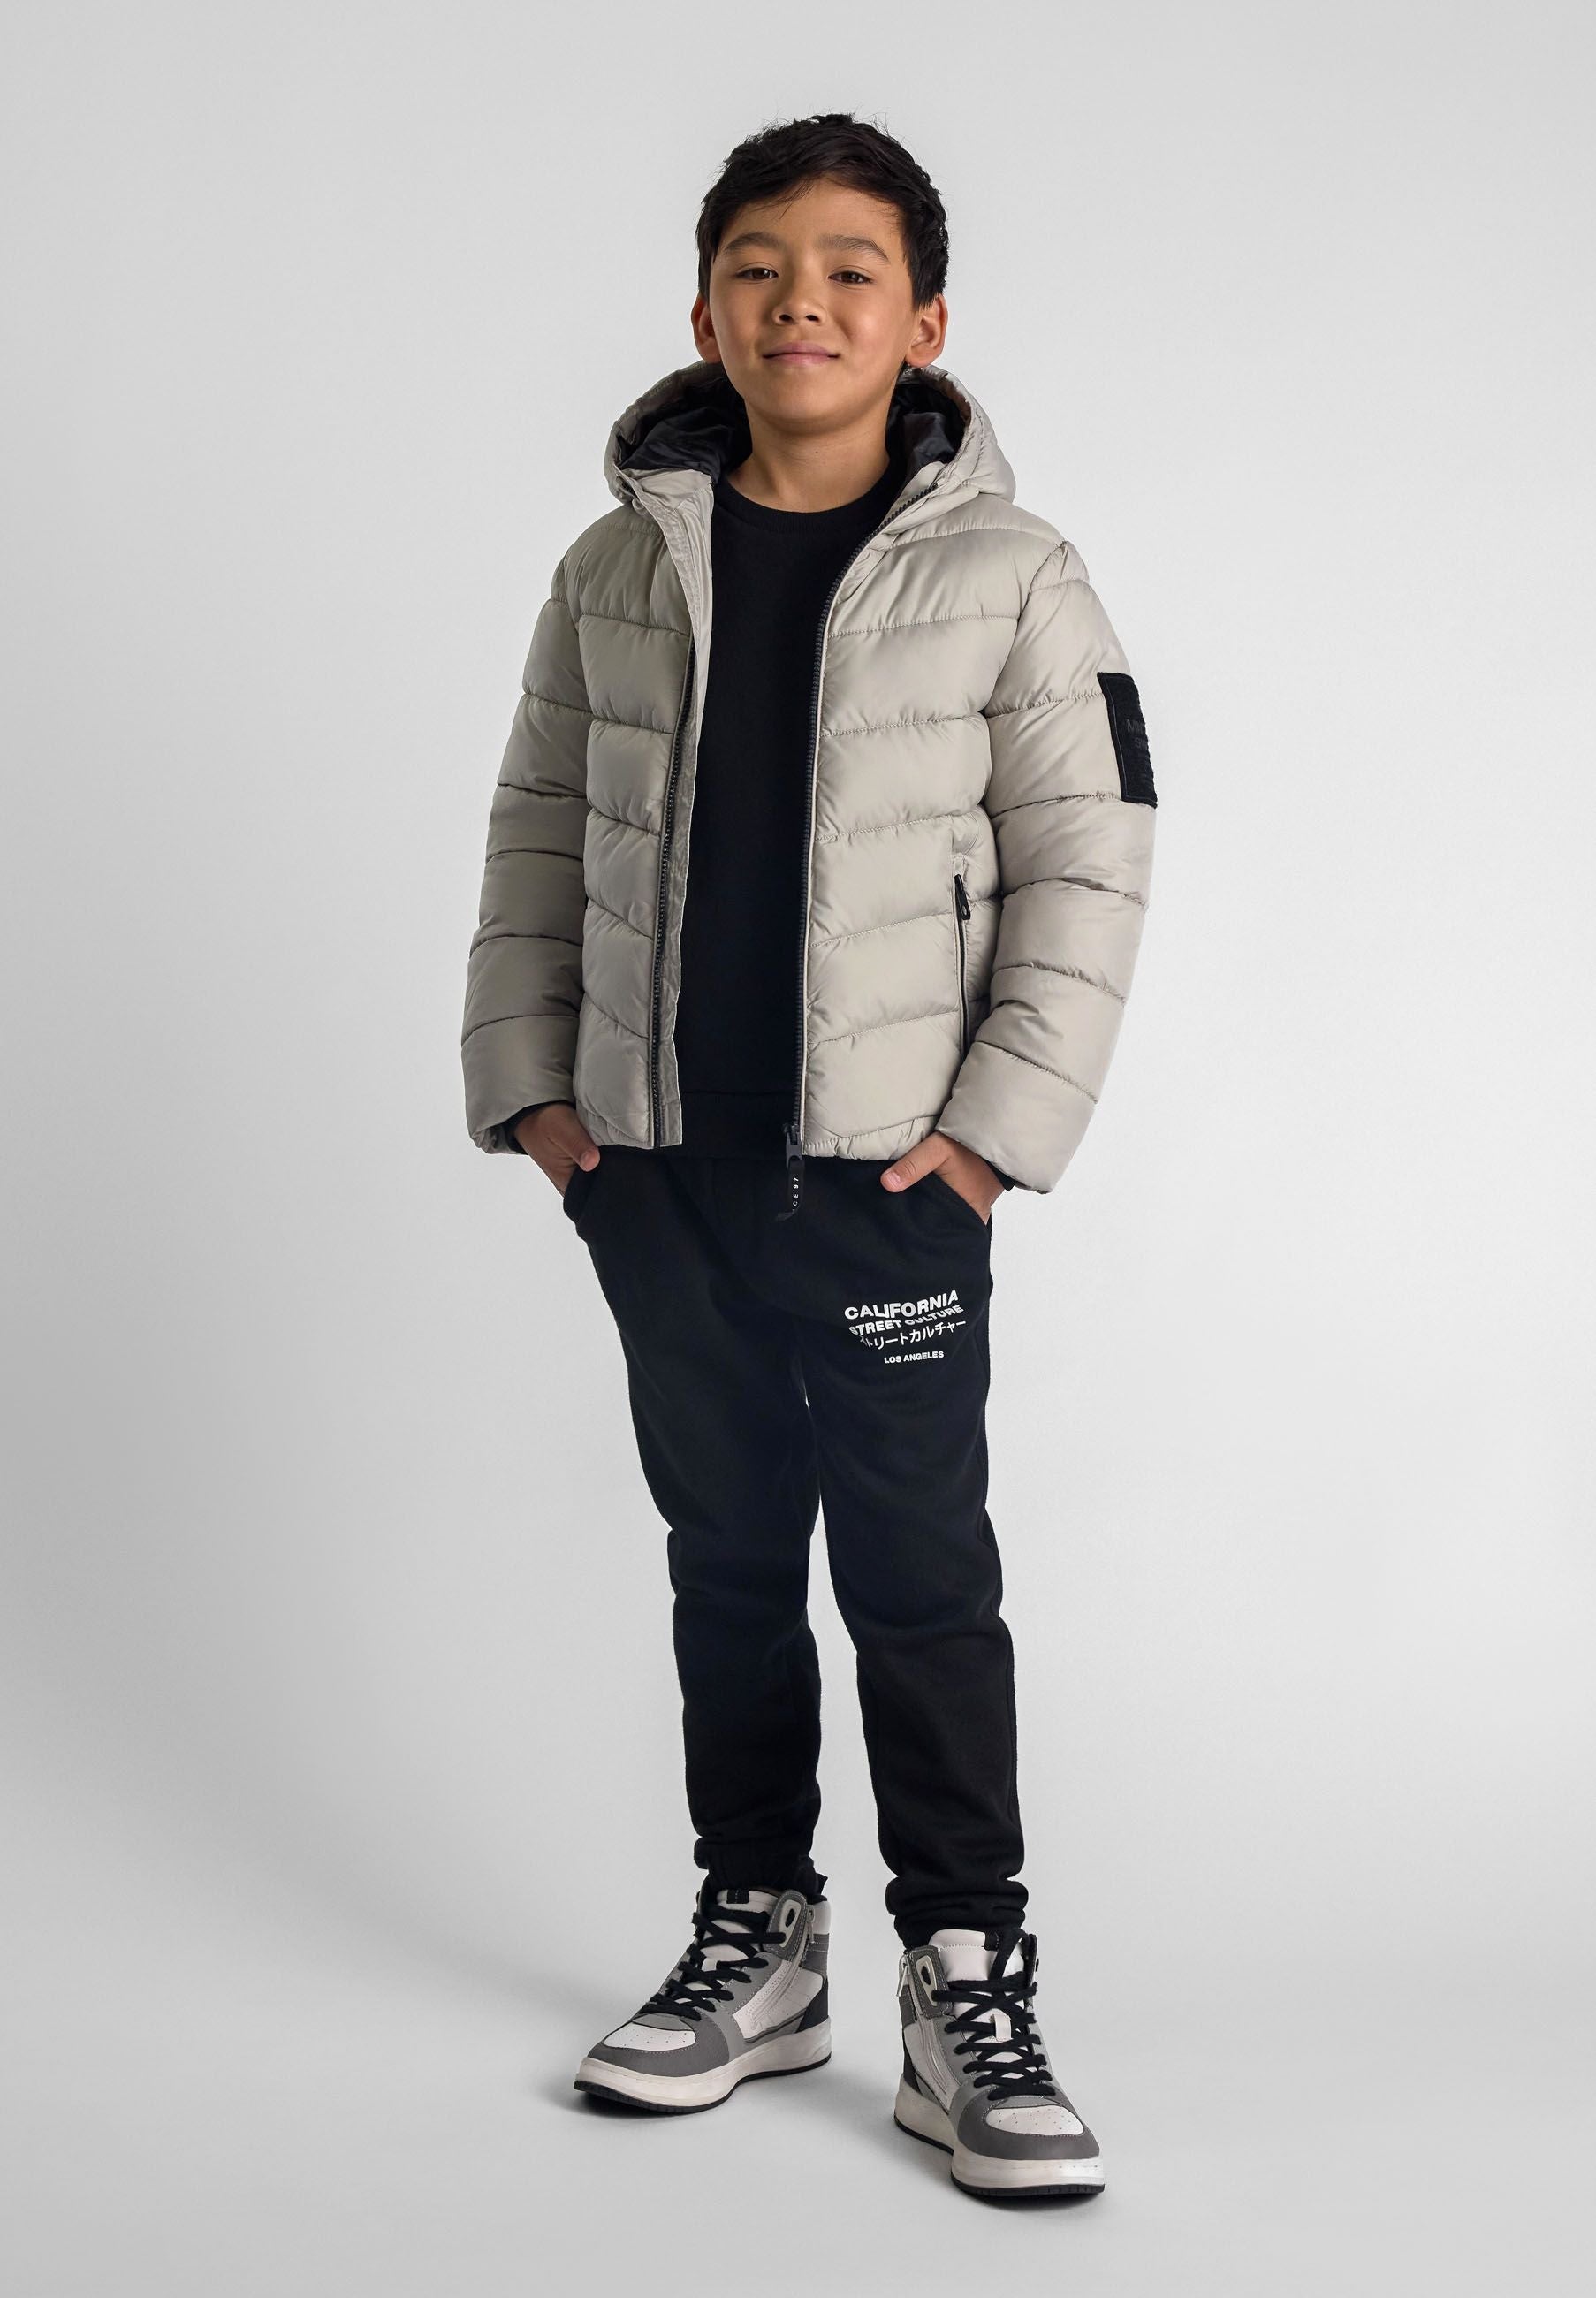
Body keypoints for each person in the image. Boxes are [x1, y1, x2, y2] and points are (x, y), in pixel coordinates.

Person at [460, 110, 1156, 2201]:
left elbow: (1089, 861)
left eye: (853, 270)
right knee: (730, 1557)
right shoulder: (612, 570)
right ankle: (758, 1932)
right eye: (760, 267)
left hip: (889, 1179)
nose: (803, 302)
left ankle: (969, 1975)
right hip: (659, 1165)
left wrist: (989, 1141)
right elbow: (536, 828)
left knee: (922, 1575)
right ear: (707, 312)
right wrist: (544, 1101)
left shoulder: (1015, 576)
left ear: (924, 321)